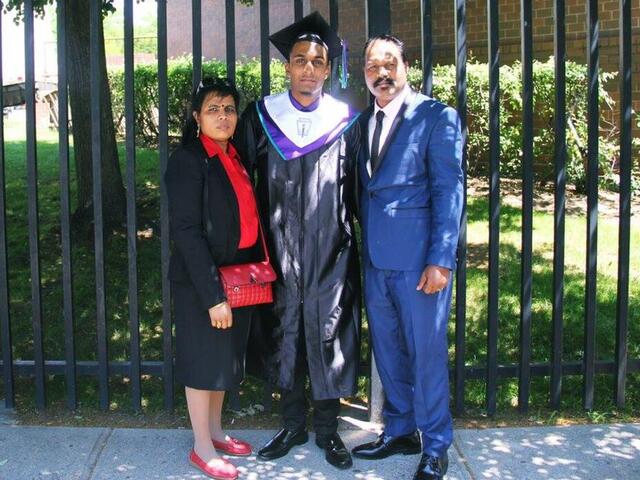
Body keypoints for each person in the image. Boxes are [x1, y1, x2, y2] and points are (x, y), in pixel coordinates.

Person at [235, 11, 361, 471]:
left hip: (333, 250)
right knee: (286, 329)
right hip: (278, 248)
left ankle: (328, 431)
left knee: (327, 331)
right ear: (286, 66)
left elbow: (361, 188)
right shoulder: (263, 116)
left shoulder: (345, 120)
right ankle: (291, 424)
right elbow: (241, 182)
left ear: (328, 70)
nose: (308, 68)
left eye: (317, 61)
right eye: (299, 60)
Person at [350, 35, 463, 480]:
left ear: (406, 67)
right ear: (364, 73)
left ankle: (436, 445)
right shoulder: (363, 123)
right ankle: (400, 430)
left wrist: (442, 258)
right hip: (376, 260)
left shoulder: (437, 117)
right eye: (373, 65)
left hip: (421, 263)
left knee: (426, 354)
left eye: (390, 63)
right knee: (389, 351)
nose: (382, 73)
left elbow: (448, 191)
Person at [166, 78, 261, 480]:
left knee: (222, 360)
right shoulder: (189, 159)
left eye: (228, 109)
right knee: (203, 360)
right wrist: (212, 296)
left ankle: (217, 433)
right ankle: (202, 448)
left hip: (236, 277)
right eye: (212, 109)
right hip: (203, 283)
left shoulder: (233, 155)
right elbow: (186, 231)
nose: (222, 116)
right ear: (196, 117)